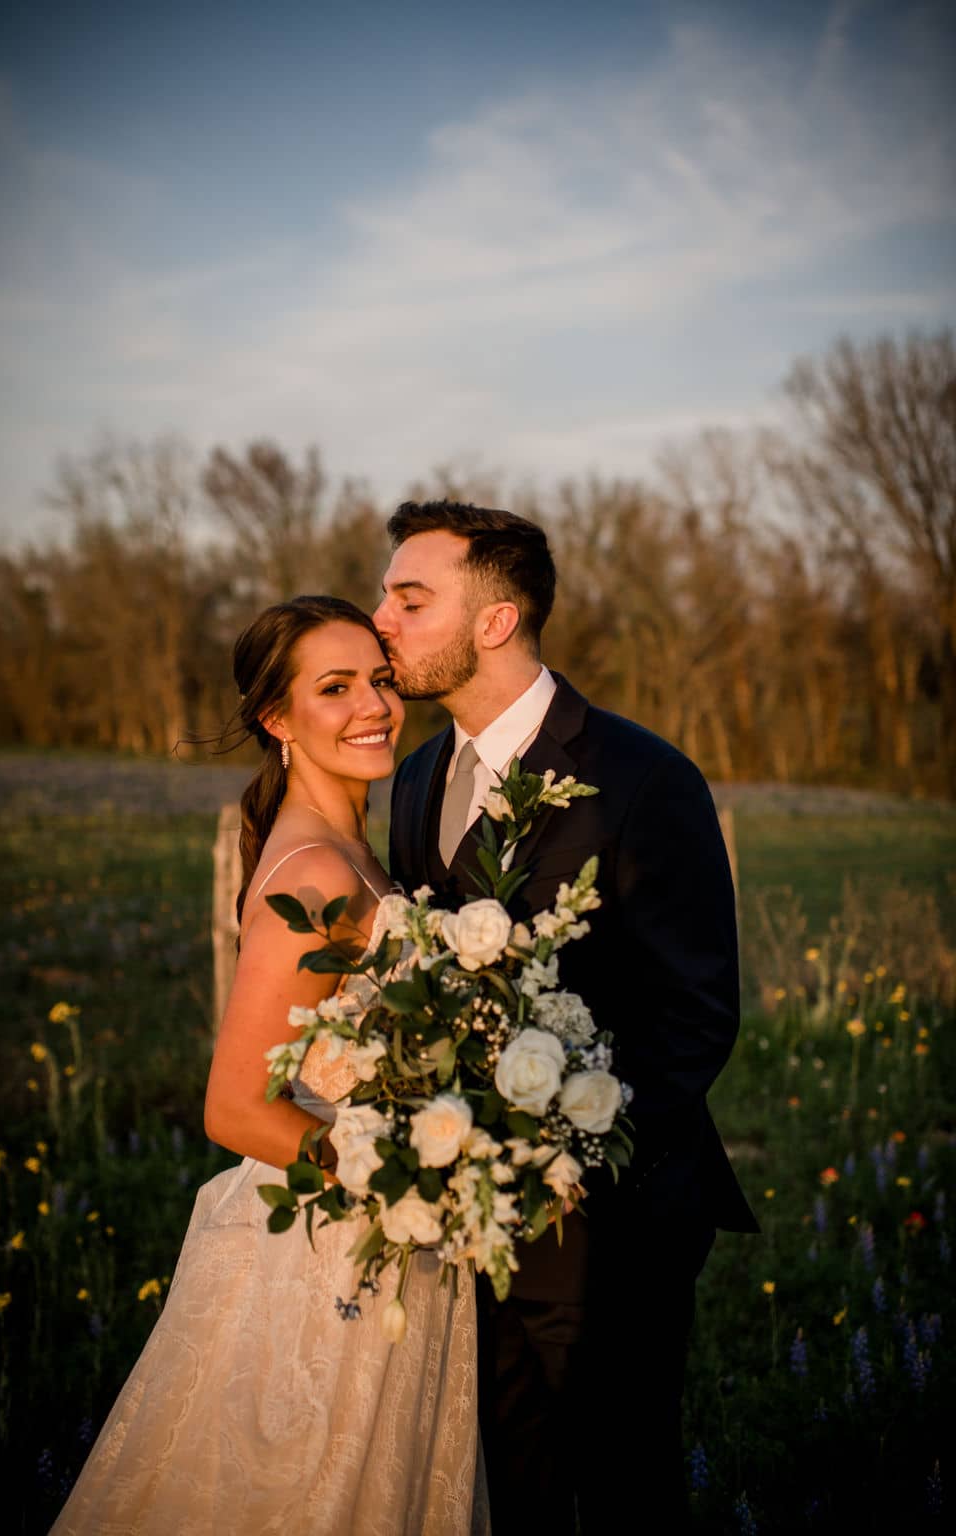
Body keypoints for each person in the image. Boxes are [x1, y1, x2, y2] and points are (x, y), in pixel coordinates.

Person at [52, 596, 489, 1536]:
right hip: (332, 1248)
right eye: (335, 688)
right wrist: (398, 1177)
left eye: (378, 678)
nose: (373, 704)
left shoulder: (357, 854)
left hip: (394, 1236)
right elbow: (234, 1111)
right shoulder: (312, 876)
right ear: (277, 719)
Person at [375, 502, 760, 1535]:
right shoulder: (414, 780)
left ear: (494, 621)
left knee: (621, 1489)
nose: (382, 620)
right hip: (465, 1220)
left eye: (409, 599)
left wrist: (565, 1158)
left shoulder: (642, 776)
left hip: (611, 1221)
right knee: (511, 1486)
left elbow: (695, 1013)